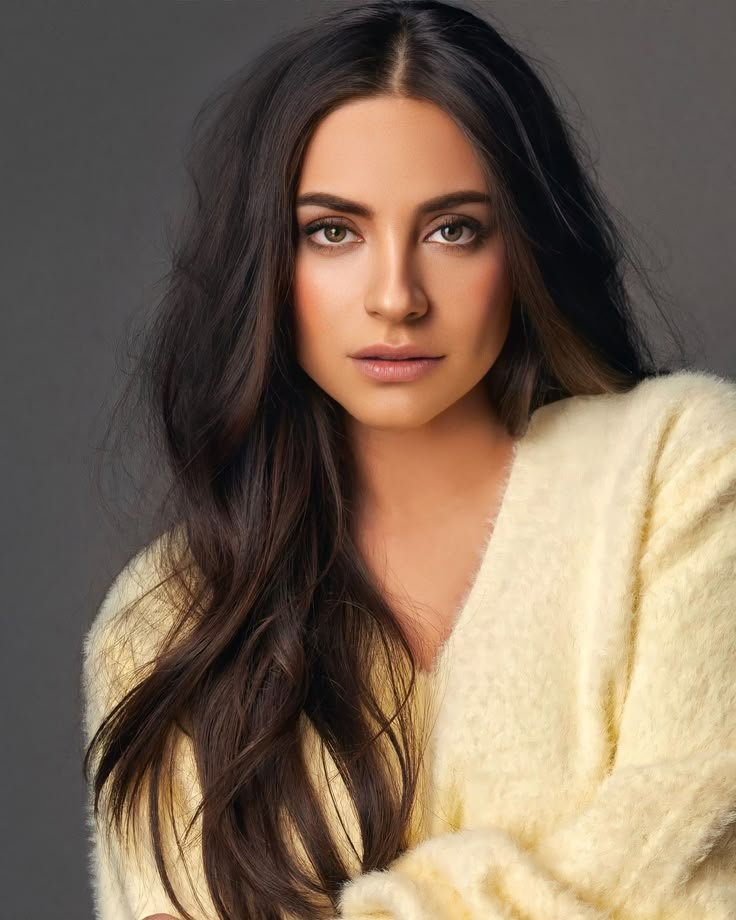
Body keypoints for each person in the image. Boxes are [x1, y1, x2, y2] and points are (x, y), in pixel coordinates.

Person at [80, 1, 736, 918]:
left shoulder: (681, 475)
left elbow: (697, 889)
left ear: (525, 249)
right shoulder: (168, 624)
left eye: (454, 229)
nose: (396, 297)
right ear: (268, 263)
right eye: (334, 232)